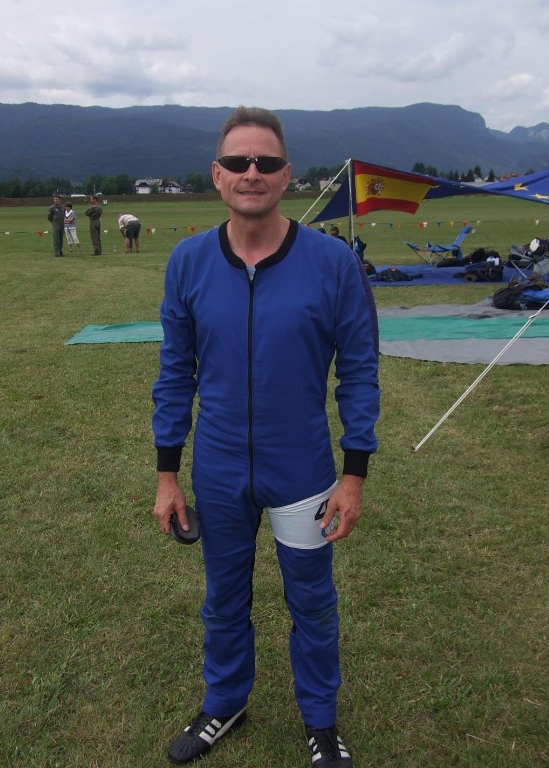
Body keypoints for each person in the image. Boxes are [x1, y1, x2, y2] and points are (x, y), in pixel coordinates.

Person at [152, 106, 380, 768]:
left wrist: (354, 475)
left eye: (267, 162)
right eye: (239, 162)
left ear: (287, 176)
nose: (252, 173)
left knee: (312, 600)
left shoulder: (333, 263)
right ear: (218, 174)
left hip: (301, 468)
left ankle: (321, 722)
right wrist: (167, 475)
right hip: (219, 468)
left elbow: (360, 371)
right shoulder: (189, 261)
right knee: (223, 597)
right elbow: (175, 372)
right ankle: (225, 703)